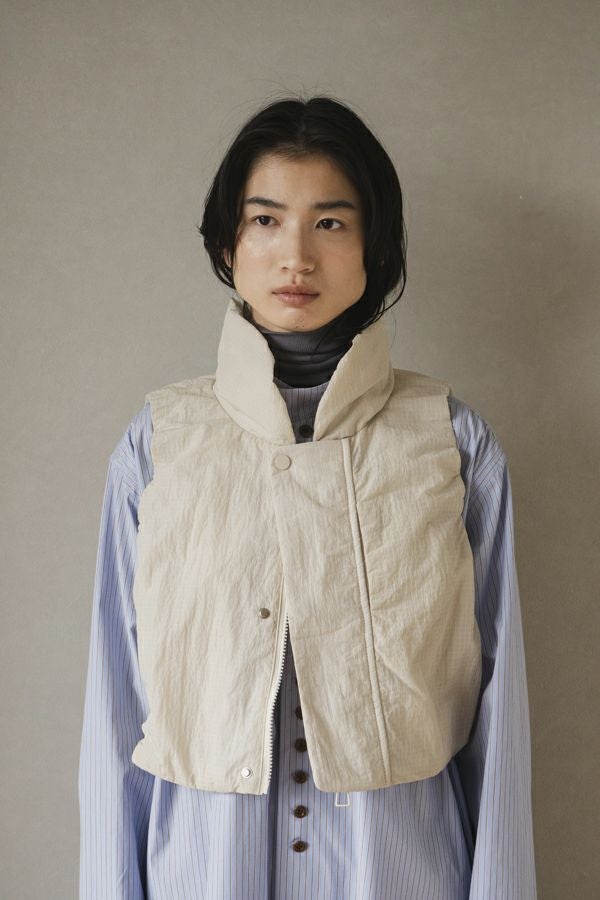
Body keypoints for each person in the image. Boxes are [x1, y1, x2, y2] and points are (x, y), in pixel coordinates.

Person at [78, 94, 537, 899]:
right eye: (265, 220)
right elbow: (115, 707)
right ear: (228, 242)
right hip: (203, 873)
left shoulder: (452, 444)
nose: (296, 256)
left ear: (374, 245)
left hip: (398, 871)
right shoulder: (159, 445)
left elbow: (500, 723)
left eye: (330, 222)